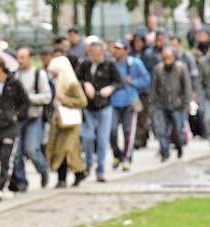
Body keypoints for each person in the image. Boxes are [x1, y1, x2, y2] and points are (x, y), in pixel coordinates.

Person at [77, 37, 122, 182]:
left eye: (98, 53)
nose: (95, 56)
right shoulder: (85, 64)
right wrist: (85, 84)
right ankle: (88, 163)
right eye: (92, 53)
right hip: (88, 106)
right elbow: (77, 79)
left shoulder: (109, 65)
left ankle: (100, 170)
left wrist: (111, 88)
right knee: (88, 136)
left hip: (104, 106)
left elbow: (119, 82)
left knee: (102, 139)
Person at [0, 56, 29, 201]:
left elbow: (25, 102)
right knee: (3, 156)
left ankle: (0, 187)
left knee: (6, 157)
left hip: (11, 127)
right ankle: (14, 184)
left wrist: (16, 115)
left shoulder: (14, 83)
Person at [13, 47, 52, 189]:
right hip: (18, 119)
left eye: (23, 57)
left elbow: (47, 96)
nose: (20, 61)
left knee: (31, 149)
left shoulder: (39, 74)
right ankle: (22, 182)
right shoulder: (15, 75)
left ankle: (43, 170)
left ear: (30, 58)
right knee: (16, 153)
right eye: (18, 57)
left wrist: (28, 98)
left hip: (34, 117)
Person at [46, 56, 88, 188]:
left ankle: (62, 178)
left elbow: (82, 101)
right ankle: (79, 172)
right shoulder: (55, 83)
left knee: (65, 149)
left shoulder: (72, 84)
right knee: (61, 149)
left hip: (71, 122)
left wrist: (64, 99)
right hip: (59, 121)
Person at [110, 41, 150, 171]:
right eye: (115, 48)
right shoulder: (111, 64)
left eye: (119, 48)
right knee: (112, 131)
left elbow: (147, 80)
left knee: (128, 132)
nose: (116, 51)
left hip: (130, 103)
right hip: (113, 102)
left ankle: (127, 158)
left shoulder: (135, 63)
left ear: (126, 50)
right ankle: (117, 154)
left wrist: (133, 82)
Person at [151, 47, 192, 161]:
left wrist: (186, 103)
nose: (167, 60)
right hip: (161, 104)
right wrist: (153, 103)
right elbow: (154, 87)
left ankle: (179, 147)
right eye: (164, 58)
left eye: (169, 58)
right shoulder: (158, 69)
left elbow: (187, 86)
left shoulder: (181, 68)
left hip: (177, 104)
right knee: (161, 129)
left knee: (178, 129)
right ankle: (164, 152)